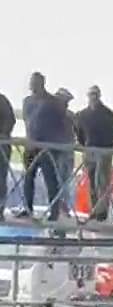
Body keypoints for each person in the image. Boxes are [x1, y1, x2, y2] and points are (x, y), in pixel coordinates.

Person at [20, 72, 64, 221]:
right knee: (27, 178)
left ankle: (54, 211)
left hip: (47, 147)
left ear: (41, 83)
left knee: (50, 180)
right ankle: (27, 208)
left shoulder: (53, 102)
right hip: (31, 145)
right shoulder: (27, 101)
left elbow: (60, 123)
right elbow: (28, 121)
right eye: (31, 82)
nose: (31, 85)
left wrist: (54, 143)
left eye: (34, 82)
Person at [75, 85, 113, 221]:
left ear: (99, 96)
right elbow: (78, 131)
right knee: (92, 183)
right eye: (91, 95)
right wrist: (84, 145)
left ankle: (101, 211)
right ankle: (94, 209)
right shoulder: (82, 115)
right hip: (89, 151)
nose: (93, 97)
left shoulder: (108, 114)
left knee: (102, 182)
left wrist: (107, 145)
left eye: (95, 94)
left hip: (104, 151)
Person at [54, 88, 75, 214]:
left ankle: (62, 206)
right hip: (61, 151)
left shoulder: (68, 115)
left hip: (65, 151)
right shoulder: (67, 115)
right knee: (61, 180)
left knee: (63, 180)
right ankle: (61, 206)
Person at [0, 91, 15, 221]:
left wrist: (3, 135)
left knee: (0, 178)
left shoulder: (2, 101)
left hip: (2, 147)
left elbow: (10, 121)